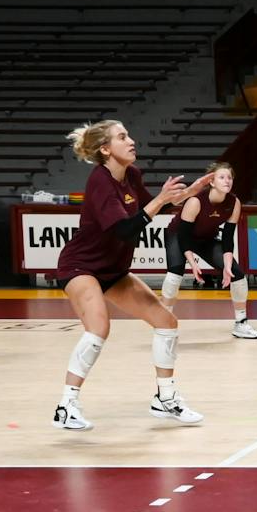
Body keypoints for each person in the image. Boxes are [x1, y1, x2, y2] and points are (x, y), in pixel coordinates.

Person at [51, 119, 204, 431]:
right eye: (122, 137)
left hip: (114, 269)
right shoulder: (100, 181)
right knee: (98, 328)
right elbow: (123, 230)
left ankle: (165, 398)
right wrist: (161, 201)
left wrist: (188, 194)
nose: (131, 140)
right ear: (106, 149)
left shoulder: (131, 175)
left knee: (166, 322)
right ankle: (66, 406)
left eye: (129, 134)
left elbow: (151, 208)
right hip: (81, 266)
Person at [157, 161, 257, 339]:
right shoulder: (196, 201)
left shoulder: (234, 203)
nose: (227, 181)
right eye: (221, 177)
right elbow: (184, 236)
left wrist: (227, 266)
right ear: (212, 182)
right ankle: (163, 322)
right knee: (175, 272)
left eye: (229, 178)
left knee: (237, 273)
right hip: (178, 236)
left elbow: (228, 239)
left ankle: (241, 323)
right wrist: (192, 263)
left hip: (206, 238)